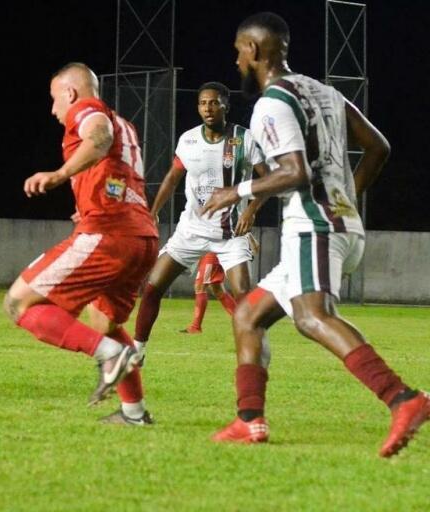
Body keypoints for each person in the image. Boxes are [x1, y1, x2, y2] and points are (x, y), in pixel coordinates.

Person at [203, 12, 428, 457]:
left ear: (253, 51)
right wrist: (348, 195)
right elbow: (378, 146)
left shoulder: (271, 103)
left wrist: (238, 190)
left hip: (315, 228)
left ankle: (404, 398)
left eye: (238, 52)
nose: (236, 62)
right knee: (248, 316)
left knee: (311, 317)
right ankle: (249, 420)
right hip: (337, 224)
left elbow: (294, 172)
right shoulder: (323, 91)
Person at [3, 62, 159, 425]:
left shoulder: (86, 111)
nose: (53, 109)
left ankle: (109, 355)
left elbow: (98, 136)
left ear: (70, 93)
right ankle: (134, 414)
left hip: (109, 234)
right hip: (142, 237)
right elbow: (120, 171)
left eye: (54, 99)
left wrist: (59, 174)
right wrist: (93, 199)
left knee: (18, 302)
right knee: (103, 322)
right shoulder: (126, 124)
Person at [132, 82, 270, 365]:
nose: (208, 108)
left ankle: (254, 357)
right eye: (203, 103)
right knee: (153, 287)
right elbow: (172, 178)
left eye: (214, 103)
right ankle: (137, 350)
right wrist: (153, 211)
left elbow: (268, 180)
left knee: (244, 295)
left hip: (230, 234)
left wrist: (251, 211)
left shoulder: (243, 139)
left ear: (225, 106)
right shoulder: (188, 140)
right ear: (198, 107)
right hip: (191, 230)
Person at [180, 252, 237, 334]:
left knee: (200, 287)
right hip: (211, 253)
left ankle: (195, 327)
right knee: (218, 290)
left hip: (211, 254)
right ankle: (244, 320)